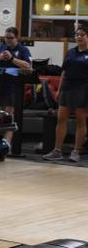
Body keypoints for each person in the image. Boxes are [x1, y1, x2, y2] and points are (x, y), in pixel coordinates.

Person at [43, 25, 88, 162]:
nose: (79, 37)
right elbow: (64, 72)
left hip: (83, 89)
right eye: (77, 35)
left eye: (82, 34)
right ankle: (57, 151)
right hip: (67, 88)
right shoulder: (71, 52)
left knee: (81, 121)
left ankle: (76, 151)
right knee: (61, 119)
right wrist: (59, 90)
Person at [0, 27, 32, 145]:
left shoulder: (23, 50)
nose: (8, 40)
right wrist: (0, 57)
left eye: (11, 38)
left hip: (14, 86)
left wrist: (11, 58)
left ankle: (7, 142)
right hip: (0, 84)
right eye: (6, 37)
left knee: (9, 113)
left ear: (17, 38)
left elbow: (28, 66)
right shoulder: (0, 48)